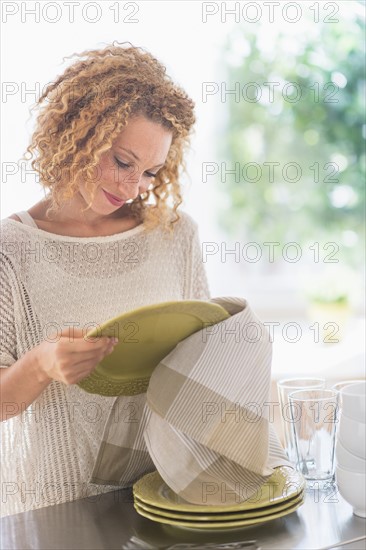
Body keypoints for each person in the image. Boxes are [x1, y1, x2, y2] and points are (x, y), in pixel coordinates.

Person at [0, 42, 210, 517]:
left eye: (150, 172)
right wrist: (40, 365)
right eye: (121, 161)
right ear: (77, 136)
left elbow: (207, 364)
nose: (131, 186)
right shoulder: (10, 249)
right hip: (58, 510)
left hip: (167, 499)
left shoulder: (175, 235)